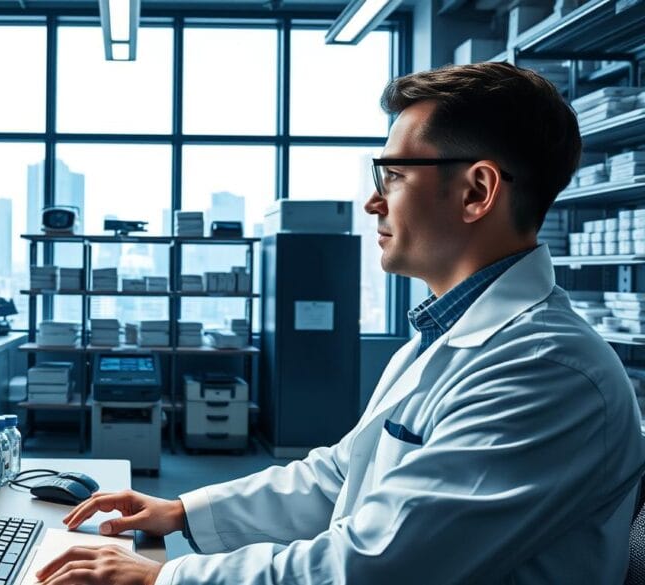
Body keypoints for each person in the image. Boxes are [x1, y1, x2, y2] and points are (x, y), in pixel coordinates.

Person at [33, 62, 645, 585]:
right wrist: (182, 511)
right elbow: (339, 474)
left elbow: (375, 568)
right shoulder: (444, 338)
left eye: (395, 176)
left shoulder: (543, 373)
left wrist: (166, 574)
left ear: (476, 191)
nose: (373, 202)